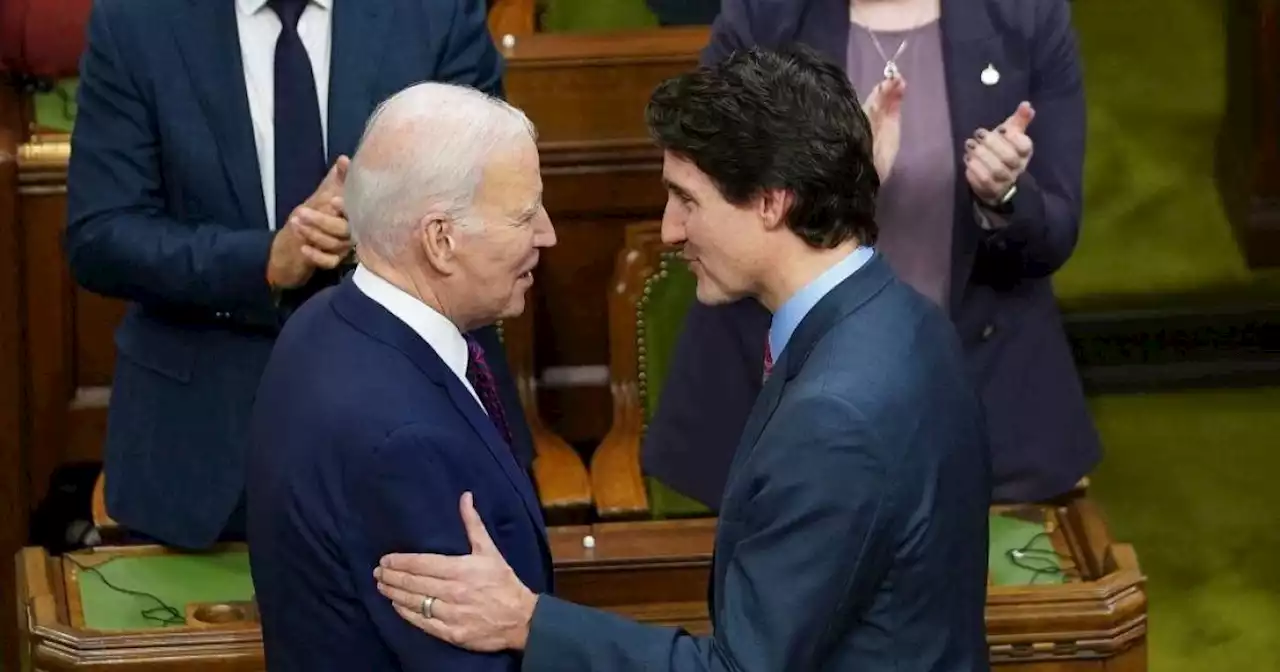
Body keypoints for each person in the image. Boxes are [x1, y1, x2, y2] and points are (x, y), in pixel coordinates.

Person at [373, 46, 992, 671]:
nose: (669, 230)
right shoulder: (903, 318)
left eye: (687, 199)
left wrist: (527, 623)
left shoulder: (837, 413)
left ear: (772, 202)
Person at [63, 0, 533, 549]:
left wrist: (380, 222)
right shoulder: (138, 19)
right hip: (204, 455)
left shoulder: (433, 11)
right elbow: (101, 235)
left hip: (418, 431)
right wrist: (266, 260)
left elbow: (497, 197)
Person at [643, 0, 1101, 509]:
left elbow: (1055, 236)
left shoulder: (1026, 16)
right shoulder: (765, 15)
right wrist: (846, 180)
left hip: (981, 401)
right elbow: (713, 197)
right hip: (787, 404)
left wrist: (1006, 198)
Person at [247, 82, 556, 671]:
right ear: (441, 240)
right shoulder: (404, 440)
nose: (547, 234)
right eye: (524, 215)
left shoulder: (324, 321)